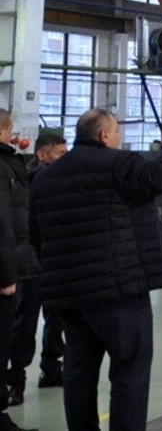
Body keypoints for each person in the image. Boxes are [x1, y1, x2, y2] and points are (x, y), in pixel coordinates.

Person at [29, 109, 162, 431]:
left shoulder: (45, 178)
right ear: (104, 136)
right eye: (116, 131)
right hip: (118, 290)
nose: (119, 137)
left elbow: (36, 234)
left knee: (78, 371)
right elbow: (160, 176)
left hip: (70, 296)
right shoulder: (118, 164)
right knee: (130, 370)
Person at [6, 133, 67, 408]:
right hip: (32, 261)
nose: (65, 159)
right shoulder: (27, 181)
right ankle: (15, 379)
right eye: (59, 154)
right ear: (42, 155)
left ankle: (51, 368)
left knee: (57, 316)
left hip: (56, 259)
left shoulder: (61, 181)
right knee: (25, 320)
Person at [0, 111, 37, 431]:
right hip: (7, 270)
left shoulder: (11, 164)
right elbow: (3, 220)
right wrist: (7, 274)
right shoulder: (3, 167)